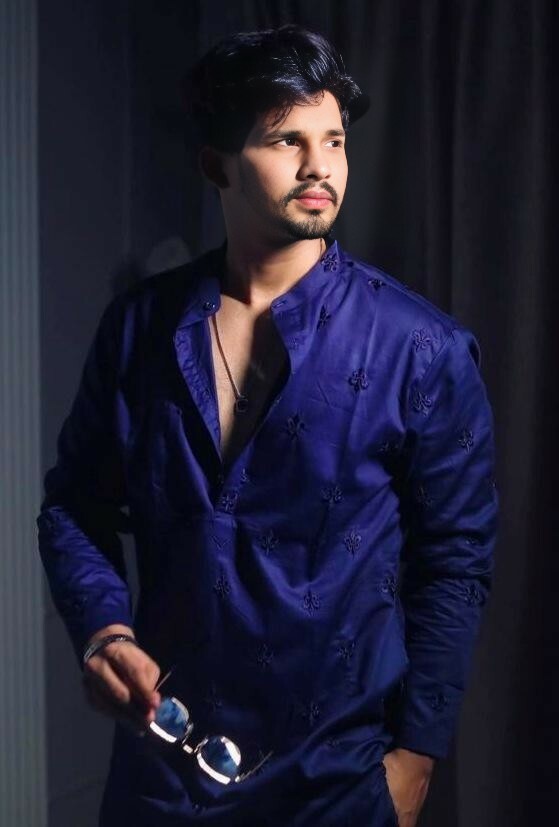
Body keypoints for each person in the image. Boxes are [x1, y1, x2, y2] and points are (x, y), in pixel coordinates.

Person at [37, 23, 498, 827]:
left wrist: (415, 759)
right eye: (287, 140)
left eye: (334, 140)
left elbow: (455, 560)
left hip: (335, 783)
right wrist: (104, 631)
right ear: (216, 164)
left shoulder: (421, 348)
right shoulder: (139, 327)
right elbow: (73, 504)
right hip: (160, 779)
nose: (320, 166)